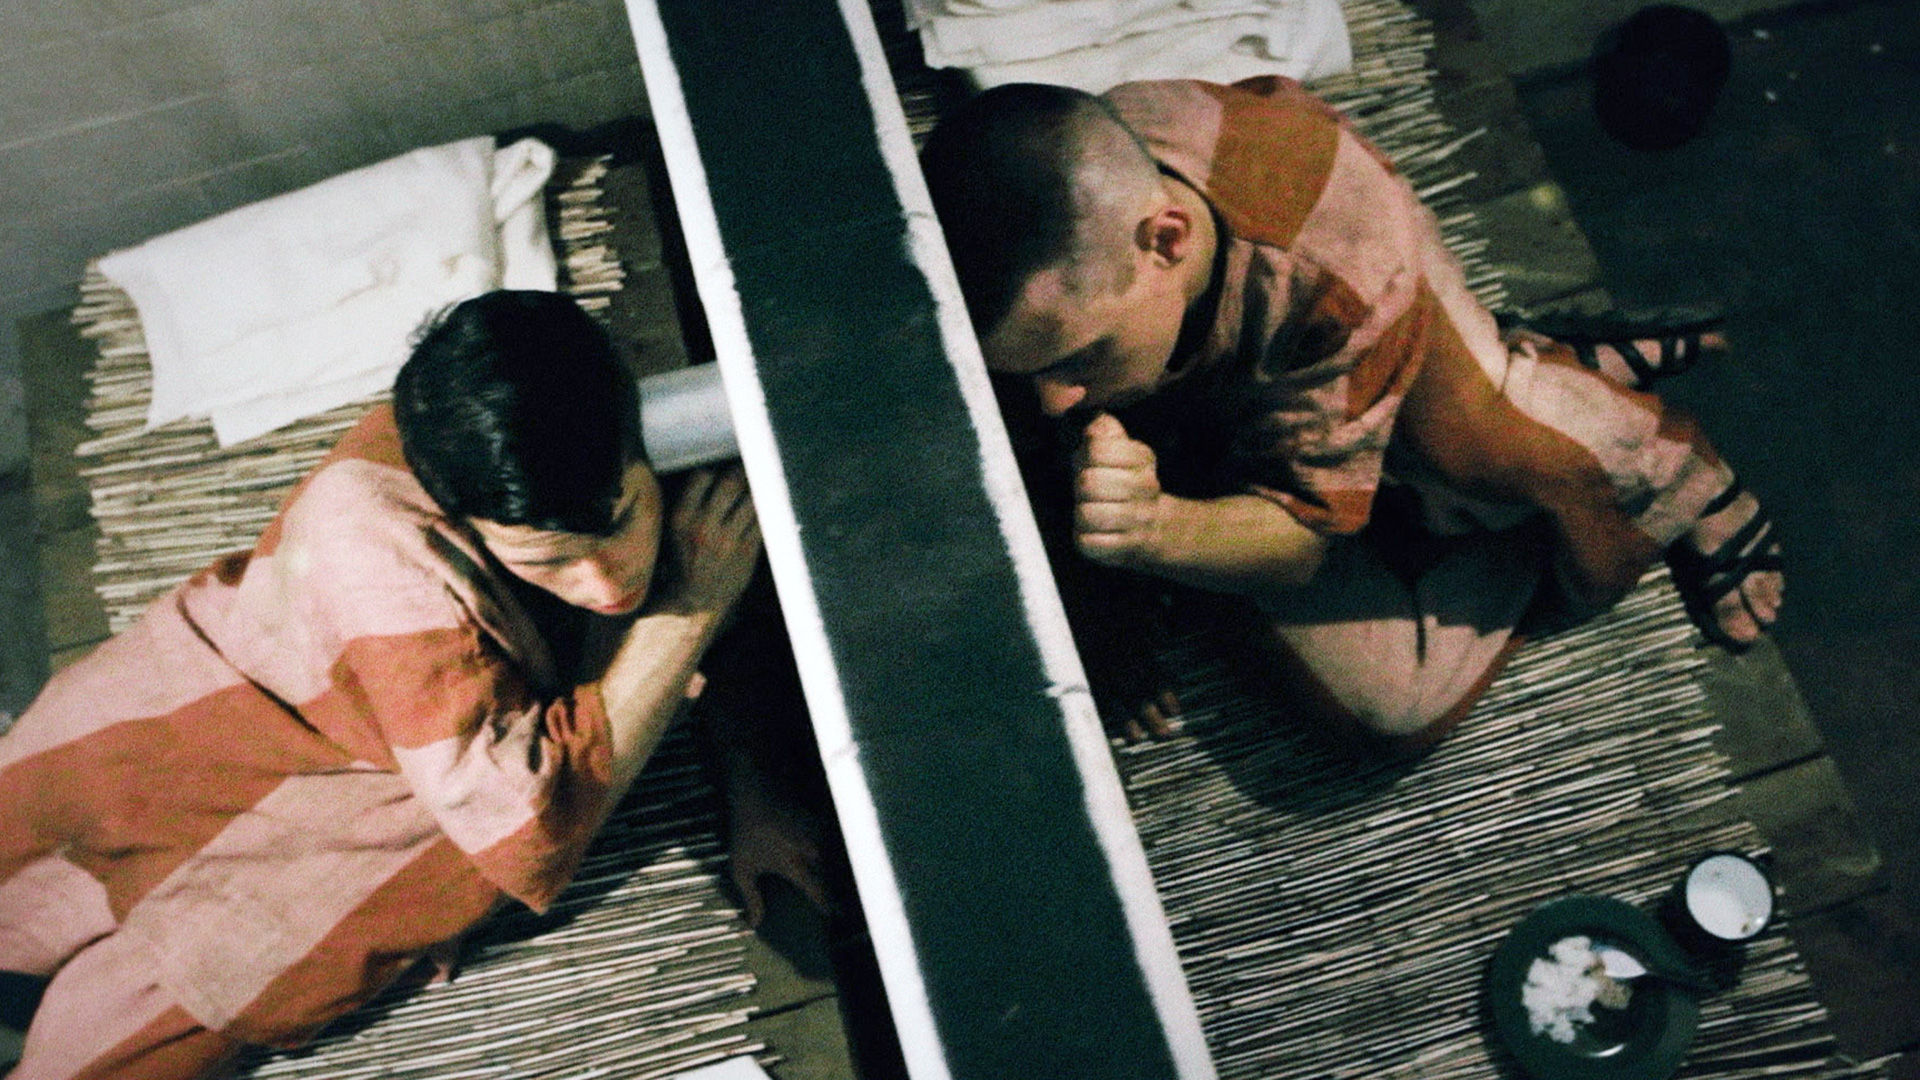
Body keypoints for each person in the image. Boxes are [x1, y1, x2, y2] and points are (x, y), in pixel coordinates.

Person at [0, 290, 816, 1079]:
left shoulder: (569, 417)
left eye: (621, 524)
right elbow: (531, 834)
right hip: (190, 716)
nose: (605, 583)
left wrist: (755, 792)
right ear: (462, 517)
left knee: (146, 1013)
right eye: (549, 561)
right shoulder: (385, 558)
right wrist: (682, 612)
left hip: (347, 822)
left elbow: (731, 587)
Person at [920, 78, 1783, 753]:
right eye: (1020, 371)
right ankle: (1507, 434)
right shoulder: (1064, 220)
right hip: (1250, 383)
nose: (1052, 402)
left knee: (1483, 450)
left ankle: (1663, 458)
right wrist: (1095, 591)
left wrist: (1152, 532)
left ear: (1167, 241)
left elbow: (1301, 542)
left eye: (1078, 358)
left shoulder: (1337, 272)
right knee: (1381, 696)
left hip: (1371, 303)